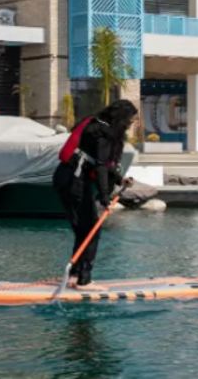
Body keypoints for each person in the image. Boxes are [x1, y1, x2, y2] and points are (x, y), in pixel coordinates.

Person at [53, 100, 138, 291]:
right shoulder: (102, 134)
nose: (131, 124)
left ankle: (74, 275)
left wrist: (119, 179)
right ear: (121, 118)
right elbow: (100, 166)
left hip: (64, 178)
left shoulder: (95, 126)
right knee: (92, 229)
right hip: (73, 182)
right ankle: (84, 280)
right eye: (130, 120)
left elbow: (99, 163)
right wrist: (105, 197)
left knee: (83, 229)